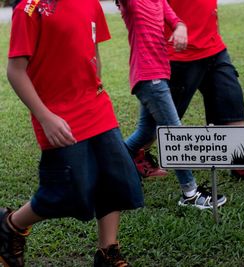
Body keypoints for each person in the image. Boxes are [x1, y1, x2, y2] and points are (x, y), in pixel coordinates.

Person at [1, 0, 144, 266]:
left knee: (115, 177)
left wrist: (94, 93)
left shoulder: (90, 3)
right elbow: (15, 71)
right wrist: (45, 117)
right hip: (57, 117)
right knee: (68, 192)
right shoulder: (30, 9)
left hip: (97, 107)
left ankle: (108, 252)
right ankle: (10, 225)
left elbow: (93, 54)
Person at [138, 0, 244, 182]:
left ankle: (243, 163)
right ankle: (137, 155)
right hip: (178, 53)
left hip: (213, 48)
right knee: (162, 118)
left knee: (231, 98)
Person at [115, 0, 227, 209]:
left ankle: (106, 169)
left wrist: (180, 29)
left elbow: (176, 21)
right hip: (149, 77)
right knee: (174, 133)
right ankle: (190, 193)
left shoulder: (159, 1)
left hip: (161, 74)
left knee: (145, 132)